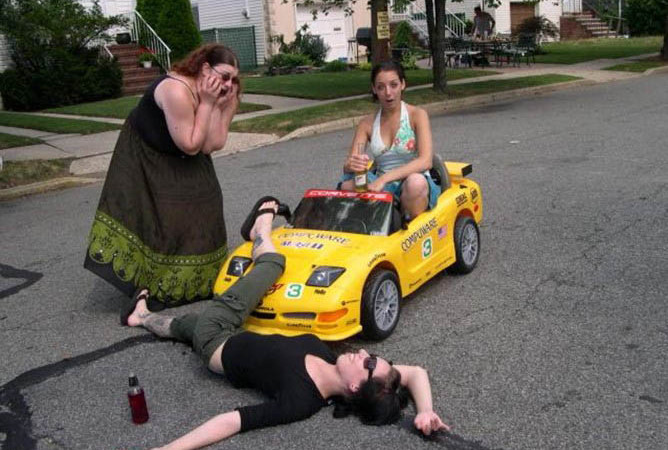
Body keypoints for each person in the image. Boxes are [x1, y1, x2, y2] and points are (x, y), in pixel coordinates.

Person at [126, 200, 450, 449]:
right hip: (234, 333)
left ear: (355, 387)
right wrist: (425, 411)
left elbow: (232, 421)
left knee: (272, 262)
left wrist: (168, 448)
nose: (364, 353)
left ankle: (261, 227)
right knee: (183, 326)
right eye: (371, 356)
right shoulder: (330, 359)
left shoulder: (300, 401)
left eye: (368, 363)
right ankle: (140, 316)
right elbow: (415, 373)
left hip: (216, 338)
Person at [84, 44, 241, 315]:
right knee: (163, 214)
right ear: (205, 68)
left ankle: (200, 281)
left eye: (234, 78)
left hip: (184, 148)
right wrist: (206, 103)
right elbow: (190, 145)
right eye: (224, 76)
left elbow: (210, 145)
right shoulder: (176, 90)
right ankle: (159, 283)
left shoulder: (222, 92)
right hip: (148, 151)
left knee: (209, 200)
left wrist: (220, 106)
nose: (229, 83)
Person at [340, 61, 438, 220]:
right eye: (381, 87)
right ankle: (370, 223)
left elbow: (425, 161)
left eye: (393, 85)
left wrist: (383, 179)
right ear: (374, 89)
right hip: (380, 183)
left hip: (411, 180)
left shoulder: (417, 115)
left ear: (403, 84)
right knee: (346, 186)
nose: (388, 93)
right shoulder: (367, 123)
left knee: (415, 184)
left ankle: (405, 223)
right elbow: (350, 164)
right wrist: (350, 165)